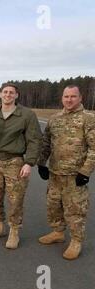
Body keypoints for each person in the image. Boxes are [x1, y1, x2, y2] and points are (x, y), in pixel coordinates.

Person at [0, 83, 42, 249]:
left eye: (11, 92)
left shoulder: (27, 115)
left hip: (14, 162)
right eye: (5, 92)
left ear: (16, 95)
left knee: (15, 199)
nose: (8, 95)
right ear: (0, 94)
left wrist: (29, 163)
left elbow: (34, 140)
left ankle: (14, 231)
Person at [37, 85, 95, 260]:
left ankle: (76, 241)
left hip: (75, 175)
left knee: (75, 209)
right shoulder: (55, 119)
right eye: (66, 96)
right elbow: (46, 142)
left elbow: (94, 148)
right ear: (62, 98)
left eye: (73, 96)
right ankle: (58, 232)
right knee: (53, 206)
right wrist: (41, 163)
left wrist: (85, 171)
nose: (69, 100)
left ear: (80, 98)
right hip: (55, 173)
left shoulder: (88, 119)